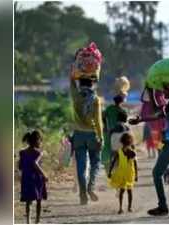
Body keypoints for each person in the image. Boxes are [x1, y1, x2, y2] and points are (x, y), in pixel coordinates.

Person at [130, 84, 169, 218]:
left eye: (166, 89)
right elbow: (159, 113)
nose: (163, 92)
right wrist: (141, 119)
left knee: (157, 173)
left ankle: (163, 206)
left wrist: (151, 93)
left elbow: (158, 111)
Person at [70, 64, 104, 205]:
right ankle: (91, 187)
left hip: (78, 135)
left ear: (80, 82)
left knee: (81, 167)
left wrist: (74, 72)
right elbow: (98, 121)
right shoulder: (96, 99)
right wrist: (100, 137)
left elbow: (71, 81)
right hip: (92, 135)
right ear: (93, 83)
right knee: (96, 162)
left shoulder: (75, 96)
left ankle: (83, 194)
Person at [18, 130, 48, 224]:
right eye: (40, 140)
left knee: (28, 200)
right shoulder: (38, 153)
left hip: (26, 178)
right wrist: (44, 174)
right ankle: (37, 221)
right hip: (36, 178)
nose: (40, 142)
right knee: (38, 200)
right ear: (36, 141)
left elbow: (20, 166)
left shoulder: (22, 152)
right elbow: (35, 164)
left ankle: (28, 221)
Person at [108, 133, 138, 214]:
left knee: (124, 191)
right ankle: (128, 207)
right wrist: (136, 176)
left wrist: (110, 172)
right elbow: (135, 164)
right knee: (128, 191)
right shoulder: (131, 152)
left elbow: (113, 162)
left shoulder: (125, 152)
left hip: (127, 174)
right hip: (129, 174)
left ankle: (122, 208)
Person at [102, 94, 127, 171]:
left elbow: (103, 116)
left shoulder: (109, 108)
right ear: (122, 101)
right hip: (120, 132)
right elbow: (125, 121)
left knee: (109, 147)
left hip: (110, 132)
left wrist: (105, 126)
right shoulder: (122, 110)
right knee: (119, 148)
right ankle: (118, 165)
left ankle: (108, 164)